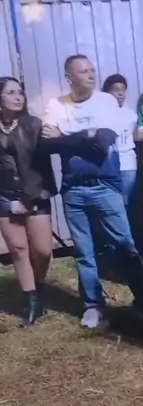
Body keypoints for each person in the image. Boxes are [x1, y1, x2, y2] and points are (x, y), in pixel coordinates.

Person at [43, 54, 143, 330]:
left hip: (104, 185)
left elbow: (104, 141)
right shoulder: (56, 104)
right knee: (84, 252)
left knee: (124, 246)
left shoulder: (105, 100)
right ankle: (93, 306)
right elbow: (46, 145)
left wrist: (65, 137)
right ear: (70, 78)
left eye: (92, 70)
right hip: (73, 189)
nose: (91, 75)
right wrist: (86, 135)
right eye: (83, 71)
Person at [0, 77, 56, 325]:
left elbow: (41, 166)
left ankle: (38, 285)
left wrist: (28, 199)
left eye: (20, 92)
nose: (18, 97)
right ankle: (31, 301)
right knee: (19, 250)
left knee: (43, 251)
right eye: (11, 92)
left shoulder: (33, 125)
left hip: (34, 194)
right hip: (3, 196)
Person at [102, 74, 138, 207]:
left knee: (126, 202)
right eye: (116, 90)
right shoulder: (101, 113)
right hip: (108, 165)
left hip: (128, 165)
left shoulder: (131, 115)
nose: (120, 93)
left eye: (123, 90)